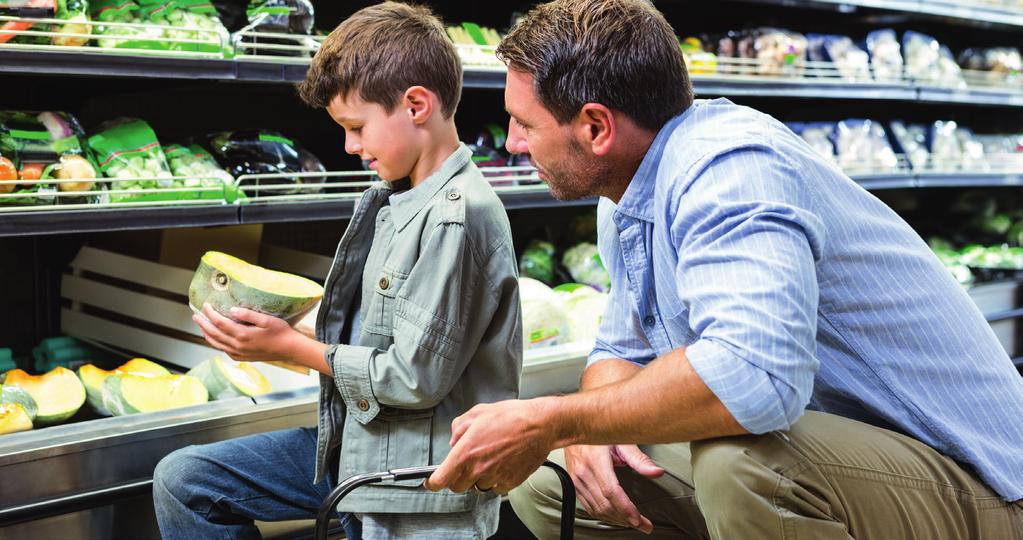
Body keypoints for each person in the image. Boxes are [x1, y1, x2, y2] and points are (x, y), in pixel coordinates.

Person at [425, 0, 1023, 538]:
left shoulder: (728, 165)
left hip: (980, 482)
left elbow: (753, 377)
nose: (512, 144)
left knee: (747, 464)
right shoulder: (627, 196)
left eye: (524, 123)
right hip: (851, 461)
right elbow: (618, 348)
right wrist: (579, 433)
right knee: (556, 478)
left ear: (596, 127)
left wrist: (551, 418)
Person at [152, 3, 522, 539]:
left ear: (417, 104)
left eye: (356, 127)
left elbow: (414, 377)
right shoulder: (397, 199)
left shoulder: (456, 218)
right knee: (185, 480)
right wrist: (280, 332)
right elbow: (384, 340)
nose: (350, 146)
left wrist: (290, 348)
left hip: (418, 487)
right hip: (357, 447)